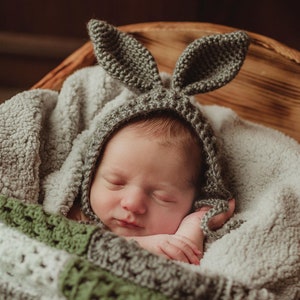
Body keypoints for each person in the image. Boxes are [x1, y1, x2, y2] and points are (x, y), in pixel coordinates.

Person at [68, 112, 235, 265]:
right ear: (91, 176)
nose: (132, 203)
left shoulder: (185, 237)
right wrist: (143, 246)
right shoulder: (73, 217)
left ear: (194, 203)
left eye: (163, 197)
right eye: (116, 182)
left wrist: (194, 225)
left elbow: (184, 268)